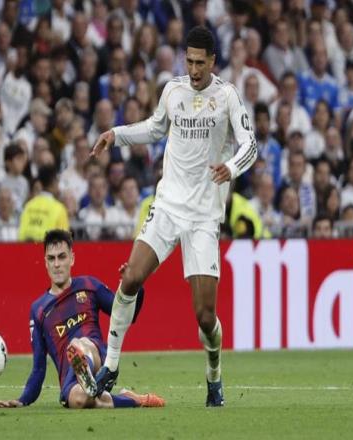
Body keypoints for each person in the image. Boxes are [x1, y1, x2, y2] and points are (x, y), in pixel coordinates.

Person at [90, 25, 258, 407]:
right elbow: (155, 128)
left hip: (203, 216)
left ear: (213, 61)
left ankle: (214, 374)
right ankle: (111, 365)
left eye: (200, 63)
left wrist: (231, 167)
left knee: (205, 317)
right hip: (167, 205)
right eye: (189, 62)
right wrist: (116, 134)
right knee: (131, 278)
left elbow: (250, 144)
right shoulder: (173, 91)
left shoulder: (227, 96)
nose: (194, 70)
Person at [0, 229, 163, 409]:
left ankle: (85, 367)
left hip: (97, 359)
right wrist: (21, 401)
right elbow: (39, 368)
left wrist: (134, 287)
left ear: (72, 259)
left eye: (62, 257)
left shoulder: (89, 286)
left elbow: (127, 317)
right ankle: (132, 399)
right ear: (45, 263)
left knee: (78, 344)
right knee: (81, 400)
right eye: (51, 258)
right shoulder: (39, 310)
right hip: (69, 378)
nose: (57, 264)